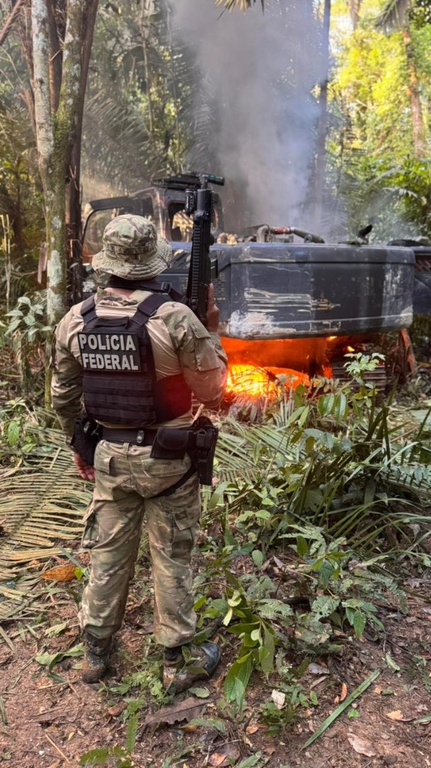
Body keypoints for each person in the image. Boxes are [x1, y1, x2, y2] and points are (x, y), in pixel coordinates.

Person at [51, 214, 228, 692]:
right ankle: (176, 661)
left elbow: (62, 398)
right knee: (171, 555)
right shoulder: (174, 317)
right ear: (153, 264)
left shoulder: (76, 318)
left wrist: (81, 446)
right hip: (168, 459)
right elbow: (211, 391)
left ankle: (95, 654)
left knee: (107, 553)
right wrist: (208, 330)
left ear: (105, 263)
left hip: (109, 455)